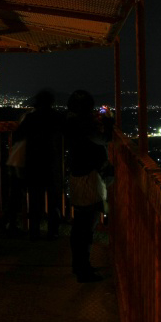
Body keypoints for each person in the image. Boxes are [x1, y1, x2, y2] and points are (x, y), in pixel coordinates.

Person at [62, 90, 115, 283]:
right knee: (86, 226)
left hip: (78, 176)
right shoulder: (81, 124)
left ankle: (80, 266)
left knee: (80, 225)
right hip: (88, 177)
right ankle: (83, 269)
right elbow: (104, 139)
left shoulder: (71, 121)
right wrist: (108, 121)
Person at [4, 90, 66, 239]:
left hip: (34, 163)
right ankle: (53, 232)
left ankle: (34, 231)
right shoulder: (57, 117)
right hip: (52, 163)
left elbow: (19, 135)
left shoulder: (31, 118)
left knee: (35, 200)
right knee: (54, 200)